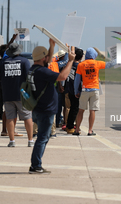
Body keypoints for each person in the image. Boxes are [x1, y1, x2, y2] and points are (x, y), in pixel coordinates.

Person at [29, 39, 75, 174]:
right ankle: (36, 165)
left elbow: (47, 62)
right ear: (43, 58)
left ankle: (36, 164)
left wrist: (51, 46)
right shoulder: (42, 72)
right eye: (47, 56)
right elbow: (62, 76)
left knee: (44, 136)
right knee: (42, 137)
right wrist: (70, 61)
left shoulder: (33, 70)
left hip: (37, 108)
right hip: (45, 110)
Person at [0, 43, 34, 147]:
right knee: (27, 117)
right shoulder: (25, 61)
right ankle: (30, 141)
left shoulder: (3, 62)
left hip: (7, 94)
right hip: (22, 94)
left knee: (10, 117)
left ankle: (12, 141)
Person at [73, 47, 117, 136]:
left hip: (84, 89)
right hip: (95, 90)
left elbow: (77, 80)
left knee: (81, 110)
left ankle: (77, 130)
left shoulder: (81, 65)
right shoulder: (97, 63)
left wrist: (76, 91)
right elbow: (109, 64)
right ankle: (90, 131)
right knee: (92, 110)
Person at [64, 47, 83, 134]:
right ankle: (70, 126)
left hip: (68, 89)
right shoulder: (79, 66)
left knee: (71, 108)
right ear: (81, 57)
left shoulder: (69, 65)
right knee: (74, 109)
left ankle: (69, 125)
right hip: (76, 91)